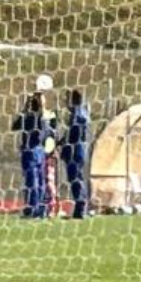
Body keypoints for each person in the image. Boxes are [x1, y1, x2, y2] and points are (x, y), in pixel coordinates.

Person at [11, 89, 56, 219]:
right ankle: (41, 209)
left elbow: (15, 126)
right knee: (41, 180)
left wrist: (25, 108)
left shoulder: (29, 118)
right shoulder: (44, 119)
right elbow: (49, 133)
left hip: (30, 150)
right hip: (40, 151)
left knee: (32, 181)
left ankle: (33, 208)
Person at [60, 89, 92, 219]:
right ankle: (81, 208)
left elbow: (73, 134)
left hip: (74, 151)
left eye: (68, 100)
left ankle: (80, 209)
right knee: (77, 178)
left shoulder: (77, 115)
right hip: (79, 150)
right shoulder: (83, 112)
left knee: (75, 179)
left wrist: (62, 143)